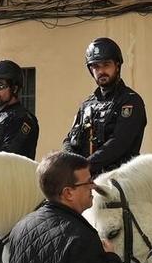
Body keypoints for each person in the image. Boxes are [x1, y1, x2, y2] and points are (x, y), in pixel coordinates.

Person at [62, 37, 146, 176]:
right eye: (96, 66)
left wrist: (85, 167)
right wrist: (69, 164)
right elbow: (70, 140)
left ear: (117, 66)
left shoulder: (130, 101)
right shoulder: (87, 104)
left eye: (106, 64)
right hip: (86, 179)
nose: (101, 71)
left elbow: (119, 143)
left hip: (121, 180)